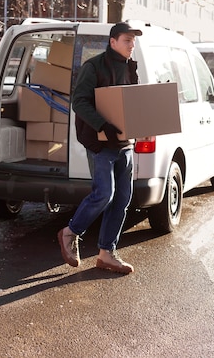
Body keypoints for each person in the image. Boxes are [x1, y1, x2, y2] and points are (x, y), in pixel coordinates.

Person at [57, 21, 142, 274]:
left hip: (125, 144)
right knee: (104, 194)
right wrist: (101, 125)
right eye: (127, 41)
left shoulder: (130, 68)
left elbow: (132, 103)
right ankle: (70, 232)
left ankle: (107, 253)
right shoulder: (93, 67)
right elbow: (80, 102)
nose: (131, 45)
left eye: (133, 41)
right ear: (113, 42)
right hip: (100, 143)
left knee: (122, 200)